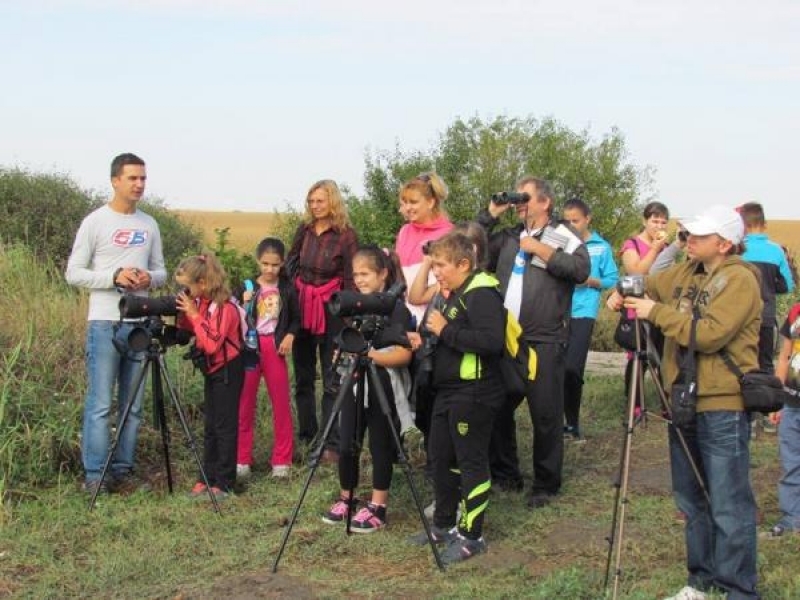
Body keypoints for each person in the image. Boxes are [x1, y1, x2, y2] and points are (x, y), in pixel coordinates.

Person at [608, 204, 761, 600]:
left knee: (728, 502)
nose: (688, 239)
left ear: (724, 243)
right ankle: (702, 580)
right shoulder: (687, 271)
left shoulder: (740, 279)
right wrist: (621, 291)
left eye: (699, 235)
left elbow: (709, 334)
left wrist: (654, 312)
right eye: (688, 234)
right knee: (691, 499)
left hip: (723, 402)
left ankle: (738, 590)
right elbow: (646, 283)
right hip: (684, 399)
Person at [477, 176, 590, 504]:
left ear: (545, 202)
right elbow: (469, 247)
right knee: (498, 405)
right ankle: (505, 474)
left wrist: (541, 249)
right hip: (506, 337)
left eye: (525, 198)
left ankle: (545, 484)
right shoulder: (509, 236)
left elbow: (580, 270)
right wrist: (491, 215)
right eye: (517, 198)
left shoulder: (562, 234)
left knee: (545, 413)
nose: (519, 204)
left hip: (543, 338)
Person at [65, 152, 166, 496]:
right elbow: (73, 272)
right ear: (115, 181)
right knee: (100, 404)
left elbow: (162, 271)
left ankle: (123, 471)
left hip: (139, 322)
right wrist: (114, 277)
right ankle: (95, 475)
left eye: (143, 179)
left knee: (133, 405)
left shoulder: (149, 224)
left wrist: (146, 278)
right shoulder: (96, 222)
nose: (139, 185)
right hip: (105, 322)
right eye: (132, 178)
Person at [407, 231, 506, 564]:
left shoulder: (482, 292)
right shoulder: (453, 292)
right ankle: (444, 524)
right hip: (447, 390)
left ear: (463, 263)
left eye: (441, 265)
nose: (436, 271)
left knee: (471, 462)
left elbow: (492, 342)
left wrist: (445, 330)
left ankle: (471, 535)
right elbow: (442, 331)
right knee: (439, 456)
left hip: (475, 391)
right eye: (434, 264)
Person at [321, 246, 413, 532]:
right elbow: (347, 340)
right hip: (354, 379)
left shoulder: (396, 308)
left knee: (380, 443)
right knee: (347, 438)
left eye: (365, 273)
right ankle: (347, 498)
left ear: (383, 274)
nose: (359, 279)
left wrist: (370, 355)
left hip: (383, 380)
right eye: (355, 274)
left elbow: (404, 354)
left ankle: (378, 506)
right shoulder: (354, 304)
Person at [286, 180, 359, 461]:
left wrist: (349, 319)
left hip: (331, 311)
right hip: (302, 307)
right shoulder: (303, 231)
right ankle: (308, 435)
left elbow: (352, 278)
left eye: (320, 200)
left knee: (332, 376)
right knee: (303, 376)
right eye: (311, 201)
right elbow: (291, 264)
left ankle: (331, 442)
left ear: (333, 202)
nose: (315, 206)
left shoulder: (346, 235)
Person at [176, 253, 245, 500]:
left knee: (224, 427)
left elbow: (212, 343)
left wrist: (194, 314)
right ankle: (207, 477)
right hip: (212, 370)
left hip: (228, 370)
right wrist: (184, 314)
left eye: (188, 286)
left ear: (203, 283)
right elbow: (187, 332)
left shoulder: (225, 307)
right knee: (210, 426)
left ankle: (224, 482)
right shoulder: (202, 302)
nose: (185, 291)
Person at [235, 238, 300, 480]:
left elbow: (296, 318)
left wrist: (291, 335)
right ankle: (242, 458)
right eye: (265, 264)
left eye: (275, 264)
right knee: (244, 404)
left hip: (275, 346)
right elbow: (233, 315)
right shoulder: (246, 285)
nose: (270, 269)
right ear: (258, 261)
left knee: (281, 403)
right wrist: (244, 302)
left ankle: (282, 460)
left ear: (282, 263)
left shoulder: (288, 288)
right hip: (250, 347)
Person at [561, 199, 618, 441]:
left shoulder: (601, 247)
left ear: (587, 219)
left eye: (576, 220)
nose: (572, 225)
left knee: (573, 368)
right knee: (555, 369)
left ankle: (572, 422)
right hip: (558, 311)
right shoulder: (561, 243)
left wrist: (592, 281)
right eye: (568, 221)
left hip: (584, 312)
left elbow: (612, 279)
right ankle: (558, 422)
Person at [619, 201, 672, 412]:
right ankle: (635, 406)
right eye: (654, 220)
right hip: (636, 308)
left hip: (659, 308)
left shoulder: (667, 247)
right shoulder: (631, 244)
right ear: (645, 220)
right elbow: (635, 273)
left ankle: (666, 404)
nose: (658, 226)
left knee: (663, 356)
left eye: (663, 222)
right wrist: (655, 249)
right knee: (638, 357)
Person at [738, 202, 795, 374]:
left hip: (740, 318)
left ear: (743, 226)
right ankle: (766, 399)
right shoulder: (776, 251)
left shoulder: (736, 250)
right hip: (766, 316)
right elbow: (788, 286)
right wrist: (769, 287)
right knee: (765, 363)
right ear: (765, 225)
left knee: (740, 363)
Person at [762, 302, 800, 538]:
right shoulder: (796, 312)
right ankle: (791, 520)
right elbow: (784, 357)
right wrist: (777, 399)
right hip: (792, 404)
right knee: (791, 464)